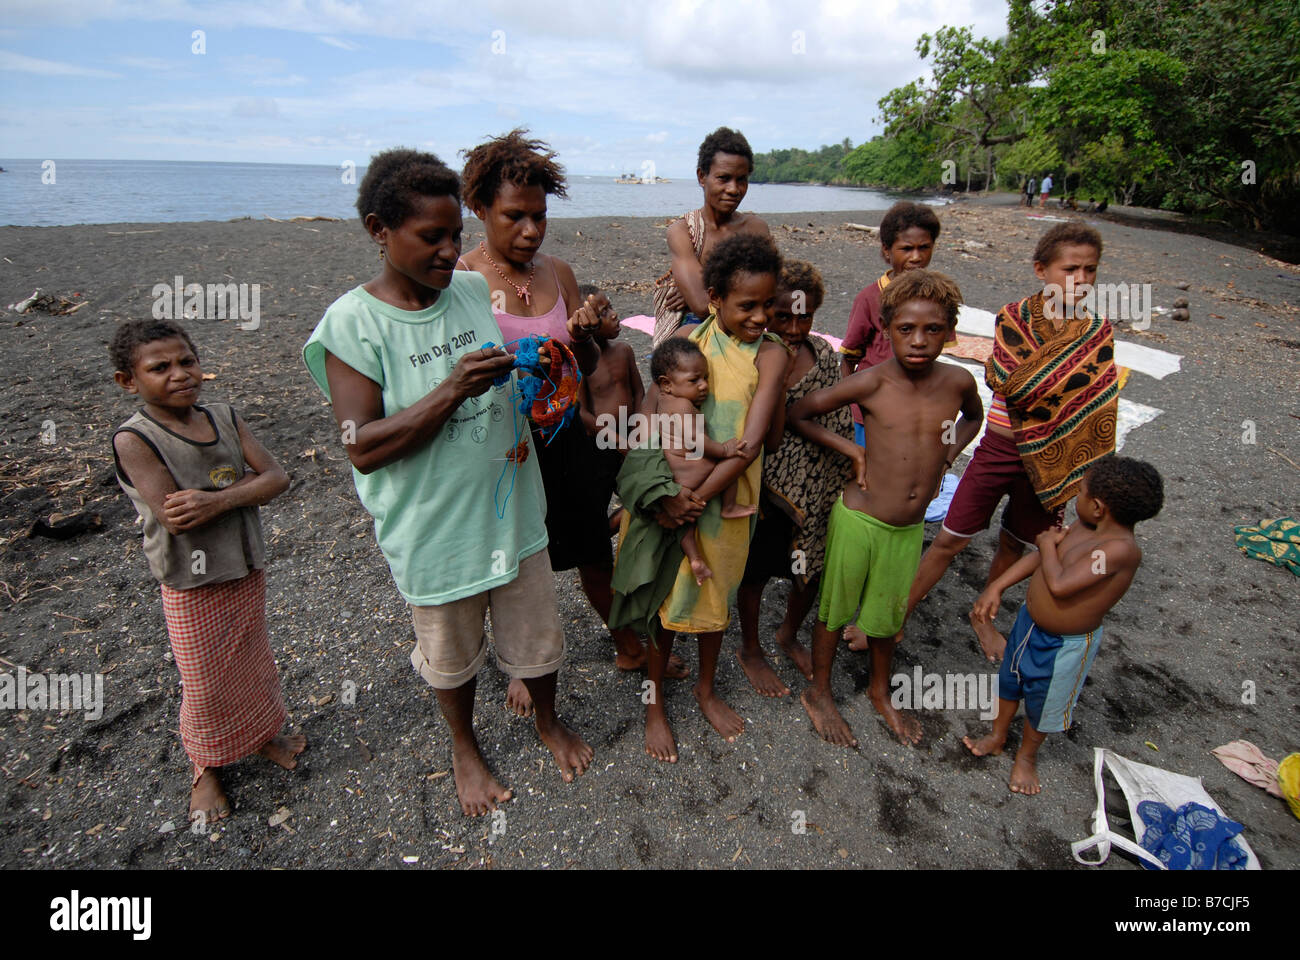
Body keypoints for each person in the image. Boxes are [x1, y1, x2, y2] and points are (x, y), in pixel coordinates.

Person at [303, 148, 591, 816]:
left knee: (537, 640)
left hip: (513, 511)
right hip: (435, 532)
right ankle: (465, 746)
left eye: (453, 235)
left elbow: (511, 367)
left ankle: (547, 720)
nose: (448, 249)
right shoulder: (353, 323)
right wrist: (453, 388)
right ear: (379, 229)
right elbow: (363, 447)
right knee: (453, 656)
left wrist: (544, 368)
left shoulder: (467, 290)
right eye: (430, 237)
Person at [457, 130, 688, 711]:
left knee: (589, 549)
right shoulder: (461, 280)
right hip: (505, 448)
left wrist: (588, 333)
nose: (531, 230)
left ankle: (627, 642)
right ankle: (521, 665)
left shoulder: (557, 271)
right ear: (480, 208)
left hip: (567, 439)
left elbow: (581, 365)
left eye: (539, 216)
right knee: (511, 560)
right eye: (515, 216)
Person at [110, 319, 302, 824]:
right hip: (191, 581)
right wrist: (241, 487)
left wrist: (217, 498)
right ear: (128, 382)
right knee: (203, 681)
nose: (179, 375)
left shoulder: (223, 416)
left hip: (242, 564)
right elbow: (177, 514)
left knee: (251, 660)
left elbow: (278, 476)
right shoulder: (136, 439)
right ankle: (206, 766)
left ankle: (262, 736)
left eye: (187, 362)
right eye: (160, 368)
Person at [901, 222, 1119, 664]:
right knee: (949, 538)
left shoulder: (1097, 333)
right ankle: (897, 614)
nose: (1080, 279)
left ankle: (984, 617)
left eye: (1090, 270)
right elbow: (1008, 382)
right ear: (1041, 269)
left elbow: (1097, 404)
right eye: (1069, 268)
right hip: (999, 449)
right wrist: (1055, 388)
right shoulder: (1015, 318)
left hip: (1054, 464)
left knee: (1017, 543)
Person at [612, 233, 787, 762]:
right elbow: (645, 418)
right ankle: (655, 703)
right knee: (666, 604)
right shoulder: (689, 340)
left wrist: (699, 500)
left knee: (715, 597)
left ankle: (705, 688)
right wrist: (662, 496)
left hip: (724, 499)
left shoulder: (773, 354)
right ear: (714, 299)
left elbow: (752, 443)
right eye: (747, 305)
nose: (760, 316)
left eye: (769, 304)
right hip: (670, 494)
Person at [789, 270, 982, 747]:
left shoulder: (957, 381)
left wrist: (950, 453)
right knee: (833, 611)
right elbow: (798, 413)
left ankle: (880, 691)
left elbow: (975, 417)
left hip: (908, 527)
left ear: (949, 331)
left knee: (887, 615)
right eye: (905, 329)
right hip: (861, 519)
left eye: (933, 330)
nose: (919, 341)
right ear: (887, 327)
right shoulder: (871, 383)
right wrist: (852, 451)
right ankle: (819, 691)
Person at [964, 457, 1163, 794]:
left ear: (1098, 507)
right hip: (1029, 626)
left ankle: (1026, 757)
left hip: (1064, 646)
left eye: (1080, 493)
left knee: (1043, 702)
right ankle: (998, 735)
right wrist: (997, 586)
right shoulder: (1084, 527)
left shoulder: (1119, 552)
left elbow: (1060, 583)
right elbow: (1039, 560)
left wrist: (1045, 544)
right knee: (1010, 682)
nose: (1075, 500)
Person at [736, 260, 853, 697]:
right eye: (783, 315)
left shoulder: (824, 355)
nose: (794, 326)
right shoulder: (754, 357)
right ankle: (750, 647)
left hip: (819, 485)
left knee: (810, 569)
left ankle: (787, 633)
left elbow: (838, 418)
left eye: (804, 316)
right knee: (757, 571)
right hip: (764, 486)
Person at [648, 337, 755, 584]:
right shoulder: (683, 406)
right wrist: (723, 449)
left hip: (675, 477)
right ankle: (728, 507)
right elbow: (696, 440)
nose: (704, 386)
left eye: (705, 378)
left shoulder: (663, 402)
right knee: (731, 466)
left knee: (684, 524)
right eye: (694, 380)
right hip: (692, 471)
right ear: (666, 384)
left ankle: (695, 559)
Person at [839, 202, 945, 448]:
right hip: (870, 410)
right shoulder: (869, 298)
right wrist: (849, 407)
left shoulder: (940, 298)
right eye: (906, 249)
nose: (916, 257)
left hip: (916, 407)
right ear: (887, 251)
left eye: (924, 248)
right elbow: (848, 358)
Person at [652, 127, 771, 346]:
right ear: (701, 177)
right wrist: (701, 294)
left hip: (749, 324)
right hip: (700, 329)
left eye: (741, 180)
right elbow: (700, 304)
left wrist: (704, 290)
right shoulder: (684, 231)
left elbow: (773, 290)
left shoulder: (756, 229)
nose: (733, 189)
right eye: (723, 179)